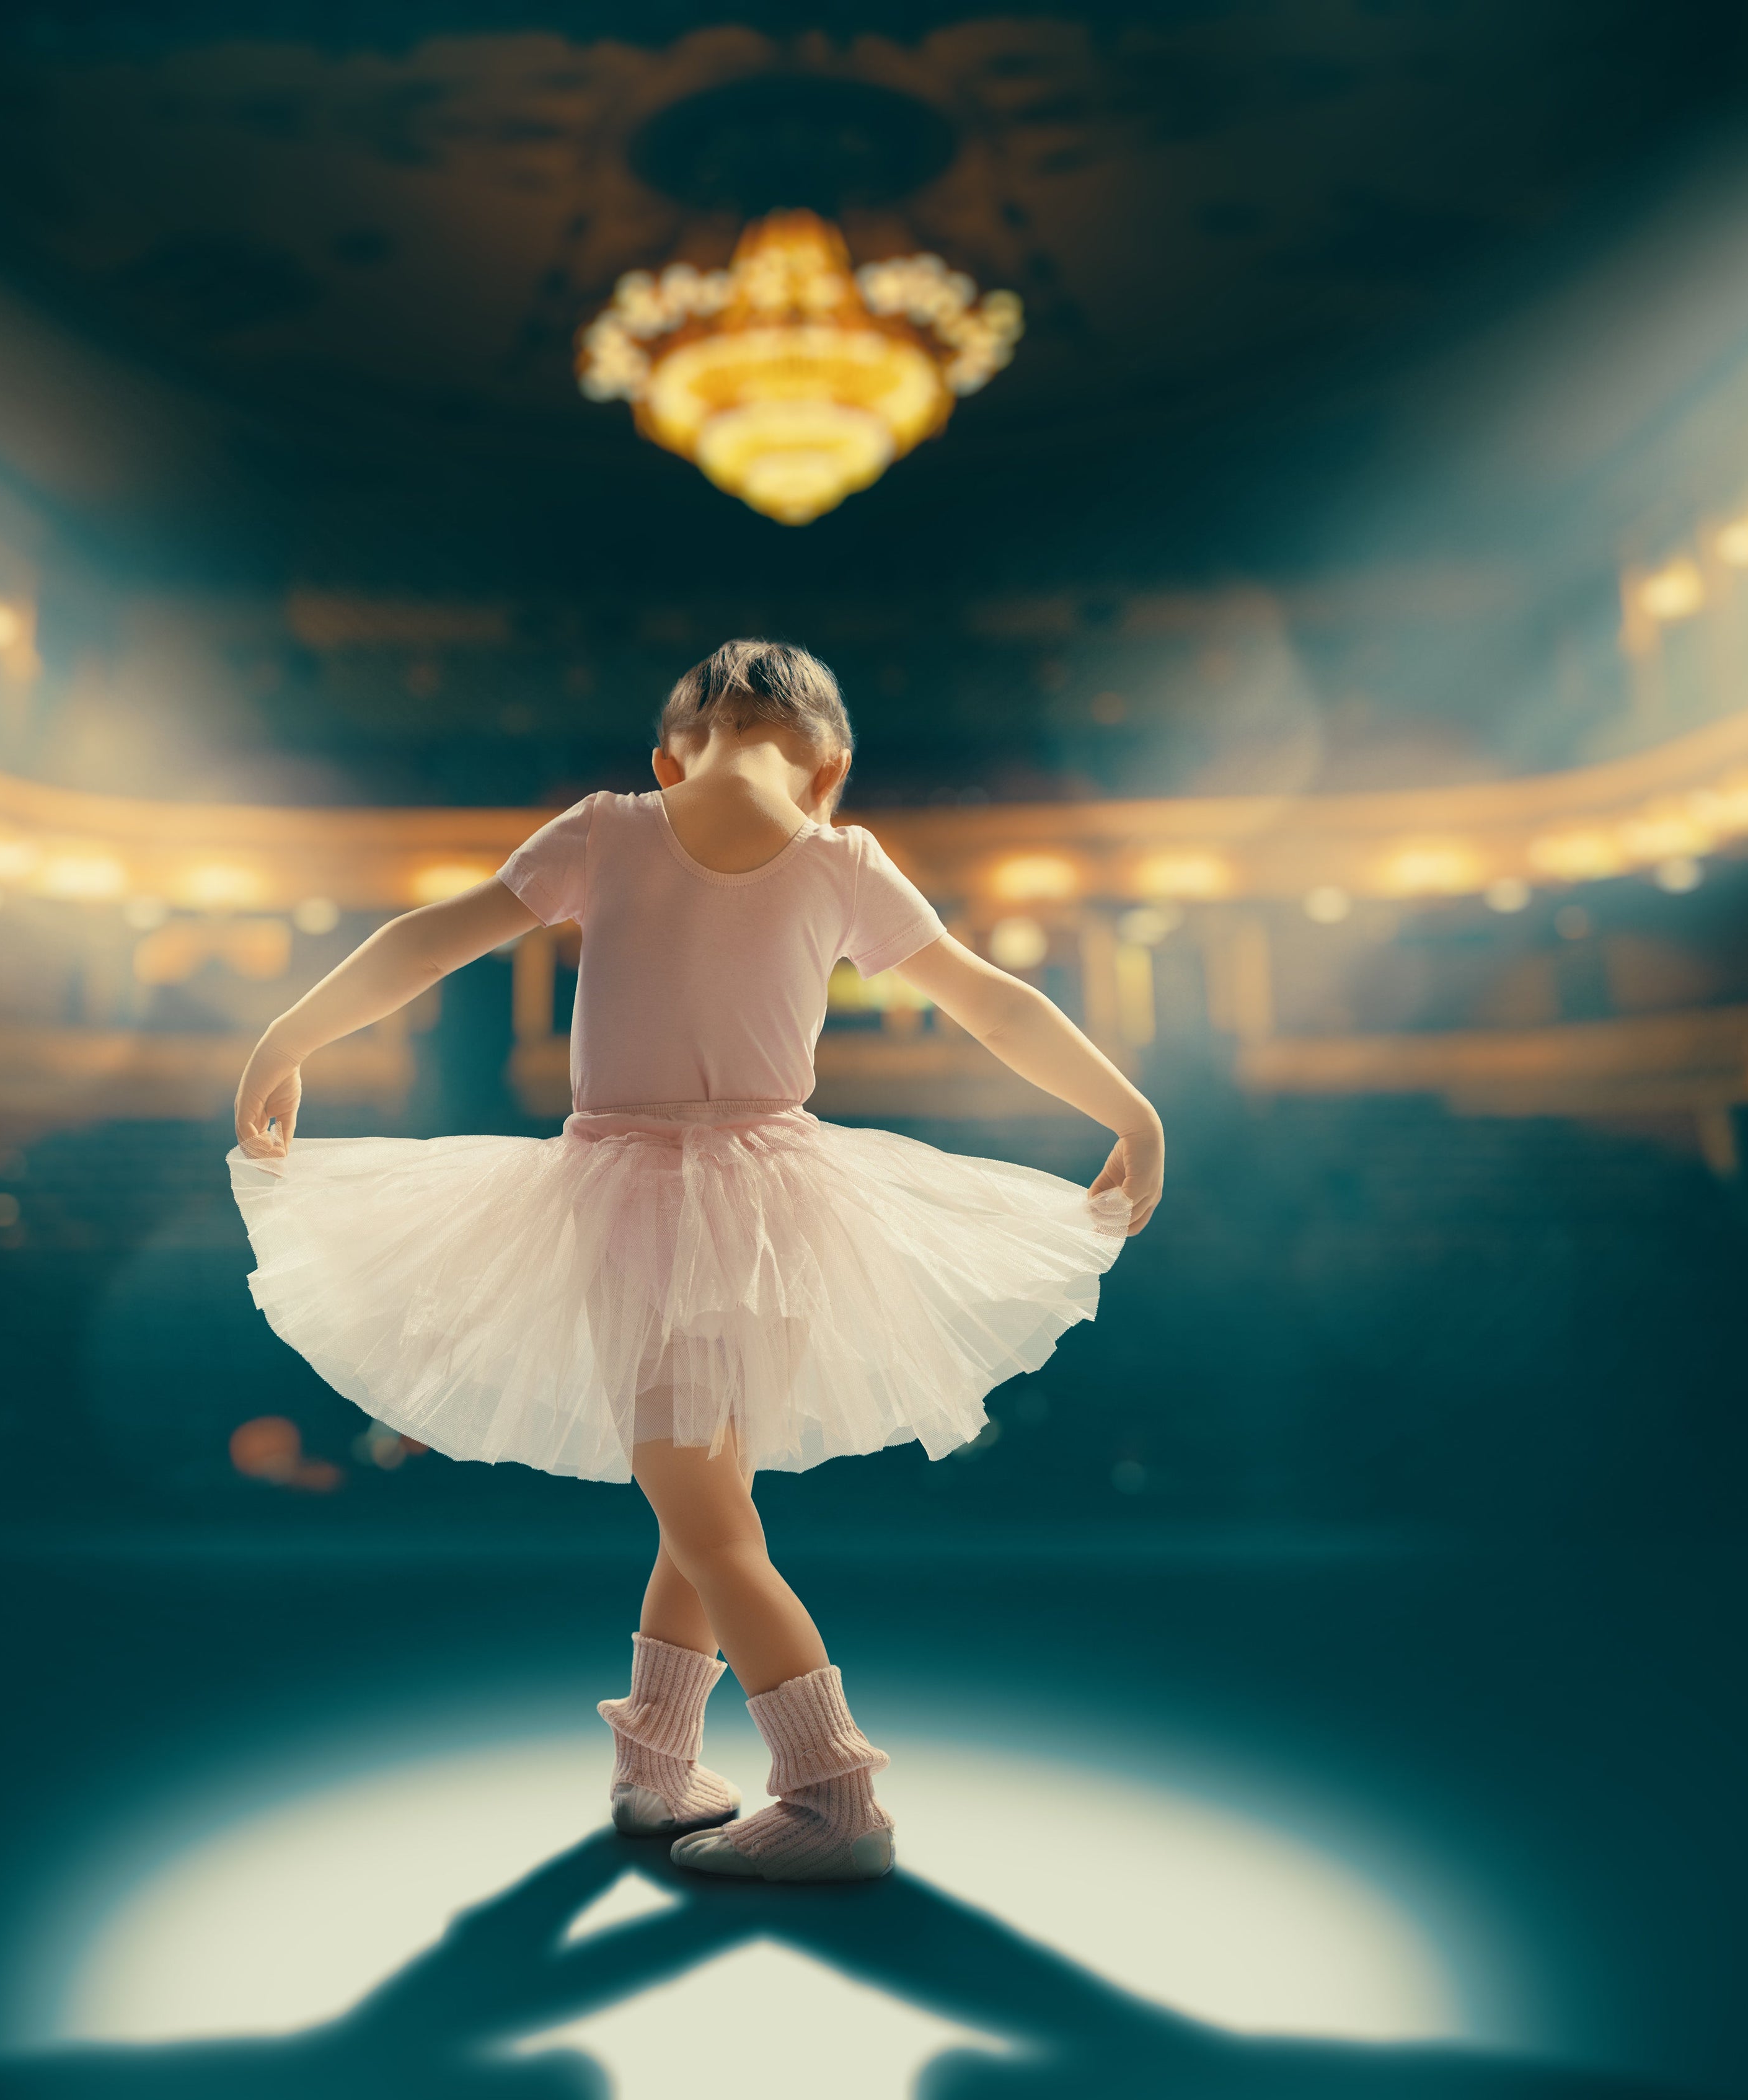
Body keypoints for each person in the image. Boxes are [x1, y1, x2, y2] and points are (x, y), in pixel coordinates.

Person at [230, 640, 1163, 1884]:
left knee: (707, 1510)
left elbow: (428, 939)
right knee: (709, 1496)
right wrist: (1130, 1109)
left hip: (629, 1196)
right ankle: (657, 1765)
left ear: (673, 747)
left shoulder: (611, 825)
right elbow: (995, 1002)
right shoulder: (844, 856)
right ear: (827, 765)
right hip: (786, 1204)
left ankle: (834, 1793)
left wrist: (282, 1038)